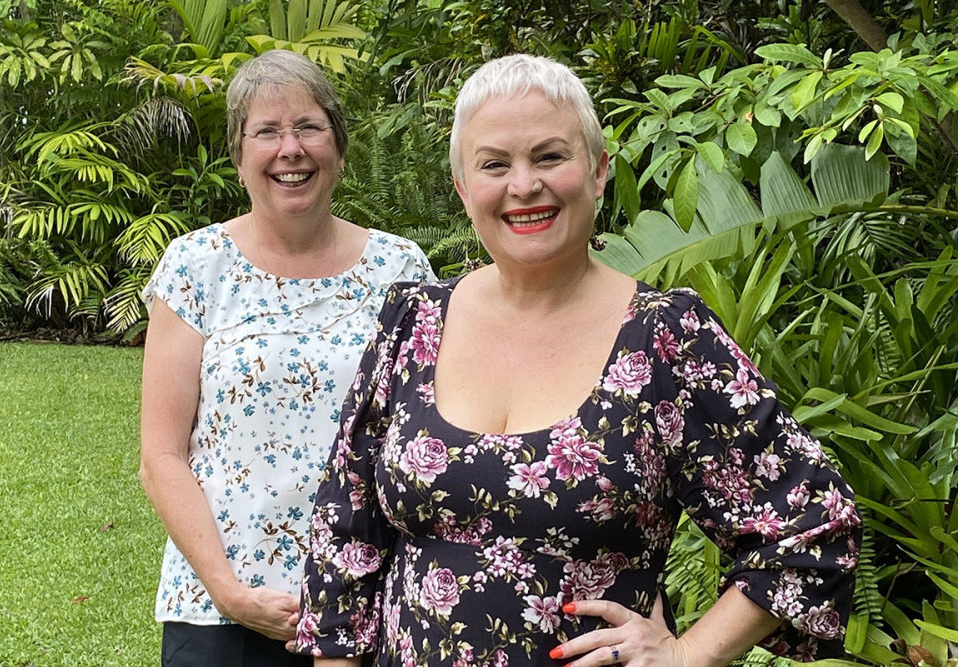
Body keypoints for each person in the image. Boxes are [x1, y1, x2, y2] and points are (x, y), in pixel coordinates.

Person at [296, 53, 861, 667]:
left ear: (597, 171)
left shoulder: (665, 338)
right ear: (463, 189)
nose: (523, 186)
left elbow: (811, 523)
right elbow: (346, 539)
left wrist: (687, 654)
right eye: (494, 164)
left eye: (549, 156)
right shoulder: (413, 323)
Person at [139, 49, 433, 666]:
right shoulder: (195, 268)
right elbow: (161, 456)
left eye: (308, 127)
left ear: (340, 149)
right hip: (219, 610)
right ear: (239, 158)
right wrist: (230, 593)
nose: (290, 148)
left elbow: (425, 443)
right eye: (266, 132)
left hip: (369, 603)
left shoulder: (401, 270)